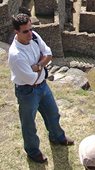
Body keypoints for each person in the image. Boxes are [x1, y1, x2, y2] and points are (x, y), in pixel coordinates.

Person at [8, 13, 74, 163]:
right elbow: (31, 80)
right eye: (25, 31)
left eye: (31, 28)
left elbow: (49, 54)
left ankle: (57, 137)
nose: (30, 33)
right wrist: (43, 67)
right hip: (27, 91)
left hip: (43, 86)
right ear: (16, 32)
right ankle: (32, 151)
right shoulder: (16, 55)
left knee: (53, 113)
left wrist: (38, 66)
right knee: (29, 124)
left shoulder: (34, 37)